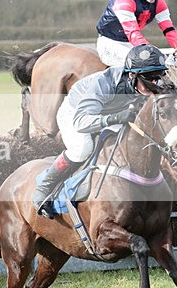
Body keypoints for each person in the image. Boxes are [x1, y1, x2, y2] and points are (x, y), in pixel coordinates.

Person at [32, 44, 170, 218]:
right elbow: (82, 122)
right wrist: (116, 118)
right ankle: (44, 188)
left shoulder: (144, 83)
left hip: (111, 112)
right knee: (82, 148)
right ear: (132, 76)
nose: (155, 84)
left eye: (157, 78)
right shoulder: (103, 84)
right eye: (149, 79)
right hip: (76, 113)